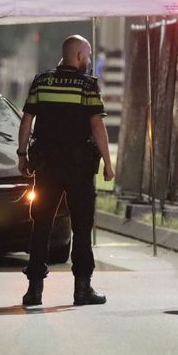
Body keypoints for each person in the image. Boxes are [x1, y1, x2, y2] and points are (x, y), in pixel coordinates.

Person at [17, 35, 115, 307]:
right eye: (89, 55)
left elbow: (27, 120)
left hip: (46, 165)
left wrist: (22, 155)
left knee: (42, 224)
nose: (90, 60)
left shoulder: (41, 81)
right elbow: (97, 126)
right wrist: (107, 162)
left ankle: (34, 291)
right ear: (80, 56)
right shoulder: (87, 85)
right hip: (79, 168)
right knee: (81, 227)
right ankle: (82, 289)